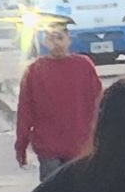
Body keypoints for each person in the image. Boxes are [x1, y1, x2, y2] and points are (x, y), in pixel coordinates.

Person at [15, 23, 102, 180]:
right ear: (44, 42)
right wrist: (21, 144)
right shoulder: (35, 70)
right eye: (51, 38)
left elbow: (98, 102)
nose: (56, 43)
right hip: (48, 146)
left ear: (69, 40)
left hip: (80, 144)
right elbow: (25, 110)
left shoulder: (84, 66)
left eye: (60, 38)